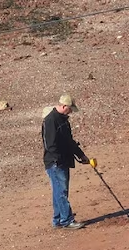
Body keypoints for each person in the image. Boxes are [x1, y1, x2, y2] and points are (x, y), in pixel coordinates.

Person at [41, 94, 89, 229]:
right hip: (55, 163)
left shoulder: (63, 120)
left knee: (59, 191)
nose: (71, 111)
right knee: (61, 191)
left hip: (63, 161)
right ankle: (66, 220)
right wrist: (58, 159)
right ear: (64, 106)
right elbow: (50, 144)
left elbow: (69, 141)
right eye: (70, 109)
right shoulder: (51, 120)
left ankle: (58, 219)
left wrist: (81, 155)